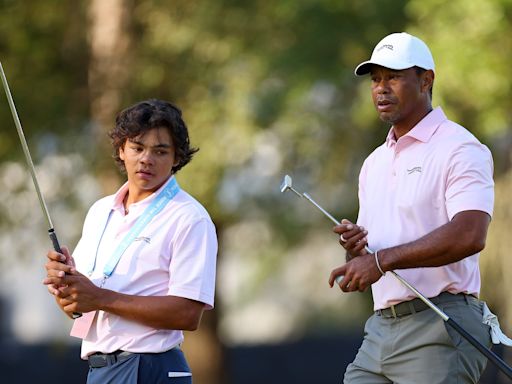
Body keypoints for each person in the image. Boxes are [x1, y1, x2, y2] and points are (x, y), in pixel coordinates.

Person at [328, 32, 495, 383]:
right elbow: (374, 258)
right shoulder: (373, 163)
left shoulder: (461, 148)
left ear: (426, 80)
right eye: (375, 79)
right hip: (381, 329)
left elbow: (470, 234)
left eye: (394, 76)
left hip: (440, 324)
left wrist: (380, 261)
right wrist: (356, 254)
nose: (381, 88)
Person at [43, 99, 217, 383]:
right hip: (100, 368)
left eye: (160, 151)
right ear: (122, 150)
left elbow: (187, 314)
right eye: (137, 148)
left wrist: (99, 297)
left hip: (151, 368)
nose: (146, 159)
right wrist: (69, 289)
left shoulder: (189, 218)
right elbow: (81, 311)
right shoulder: (100, 211)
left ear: (176, 158)